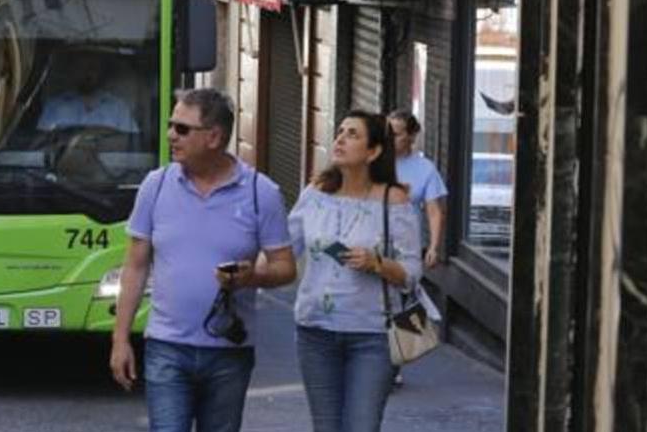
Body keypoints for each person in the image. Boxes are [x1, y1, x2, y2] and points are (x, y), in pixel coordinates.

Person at [110, 88, 296, 432]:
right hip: (167, 347)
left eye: (182, 129)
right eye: (170, 125)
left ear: (214, 137)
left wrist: (250, 278)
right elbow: (135, 266)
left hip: (229, 351)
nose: (170, 135)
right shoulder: (156, 185)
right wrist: (120, 340)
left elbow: (285, 267)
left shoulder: (261, 193)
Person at [288, 110, 421, 432]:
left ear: (373, 151)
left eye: (352, 134)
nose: (340, 139)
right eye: (340, 131)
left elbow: (412, 272)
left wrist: (378, 263)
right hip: (315, 330)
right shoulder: (315, 193)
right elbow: (285, 248)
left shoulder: (394, 200)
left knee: (362, 425)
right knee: (327, 427)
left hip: (373, 335)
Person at [388, 110, 447, 269]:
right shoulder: (371, 162)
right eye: (386, 134)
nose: (389, 139)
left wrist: (433, 248)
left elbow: (434, 211)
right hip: (371, 243)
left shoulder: (425, 169)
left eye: (395, 135)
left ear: (412, 136)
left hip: (407, 248)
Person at [37, 51, 138, 133]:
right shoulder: (54, 106)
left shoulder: (118, 108)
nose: (88, 74)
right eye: (83, 67)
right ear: (74, 70)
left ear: (100, 72)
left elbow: (131, 148)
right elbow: (40, 147)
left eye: (93, 68)